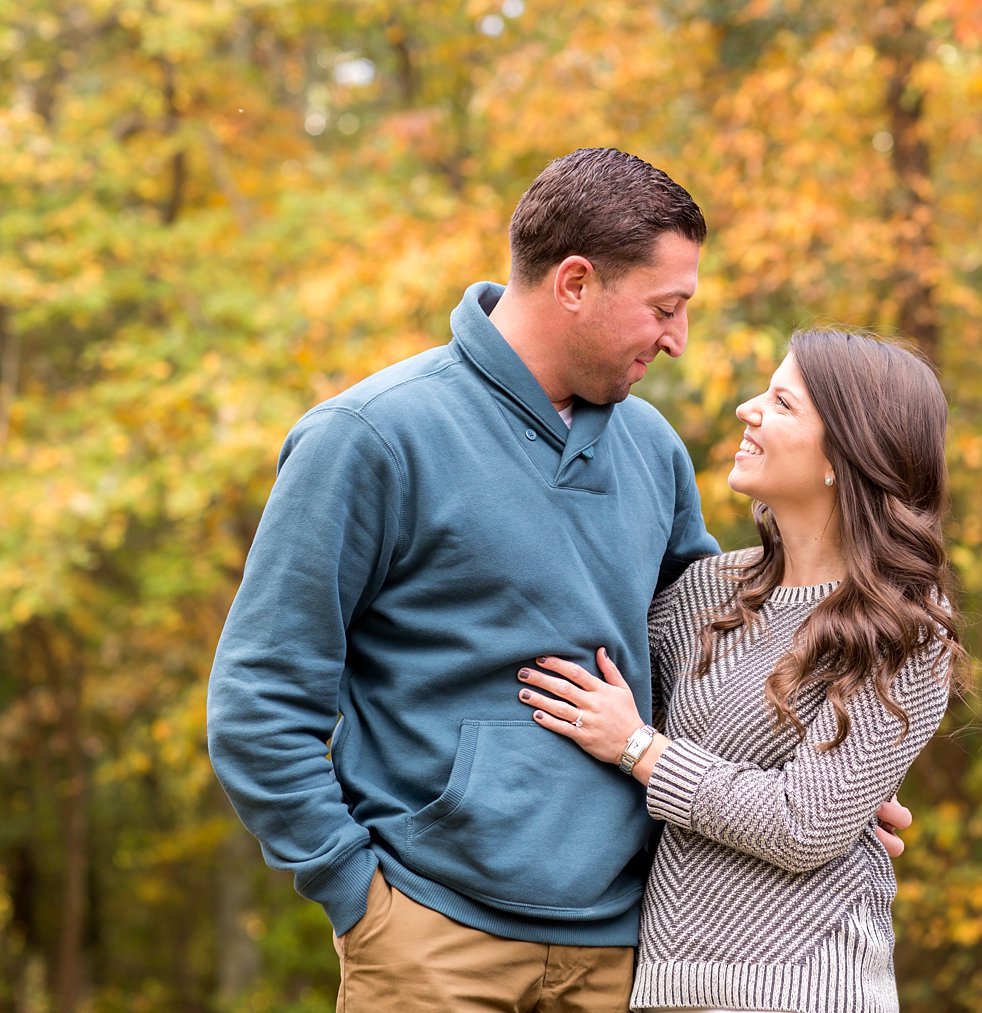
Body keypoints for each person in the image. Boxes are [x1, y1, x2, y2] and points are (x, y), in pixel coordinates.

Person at [206, 148, 908, 1013]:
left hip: (627, 950)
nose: (677, 339)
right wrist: (356, 894)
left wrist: (831, 783)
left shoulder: (651, 449)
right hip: (432, 941)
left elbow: (712, 665)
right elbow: (260, 697)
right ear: (575, 283)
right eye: (665, 308)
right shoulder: (371, 437)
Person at [517, 328, 970, 1013]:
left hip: (810, 991)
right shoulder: (704, 592)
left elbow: (804, 825)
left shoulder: (907, 629)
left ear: (842, 457)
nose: (748, 409)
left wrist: (639, 747)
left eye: (783, 403)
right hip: (664, 984)